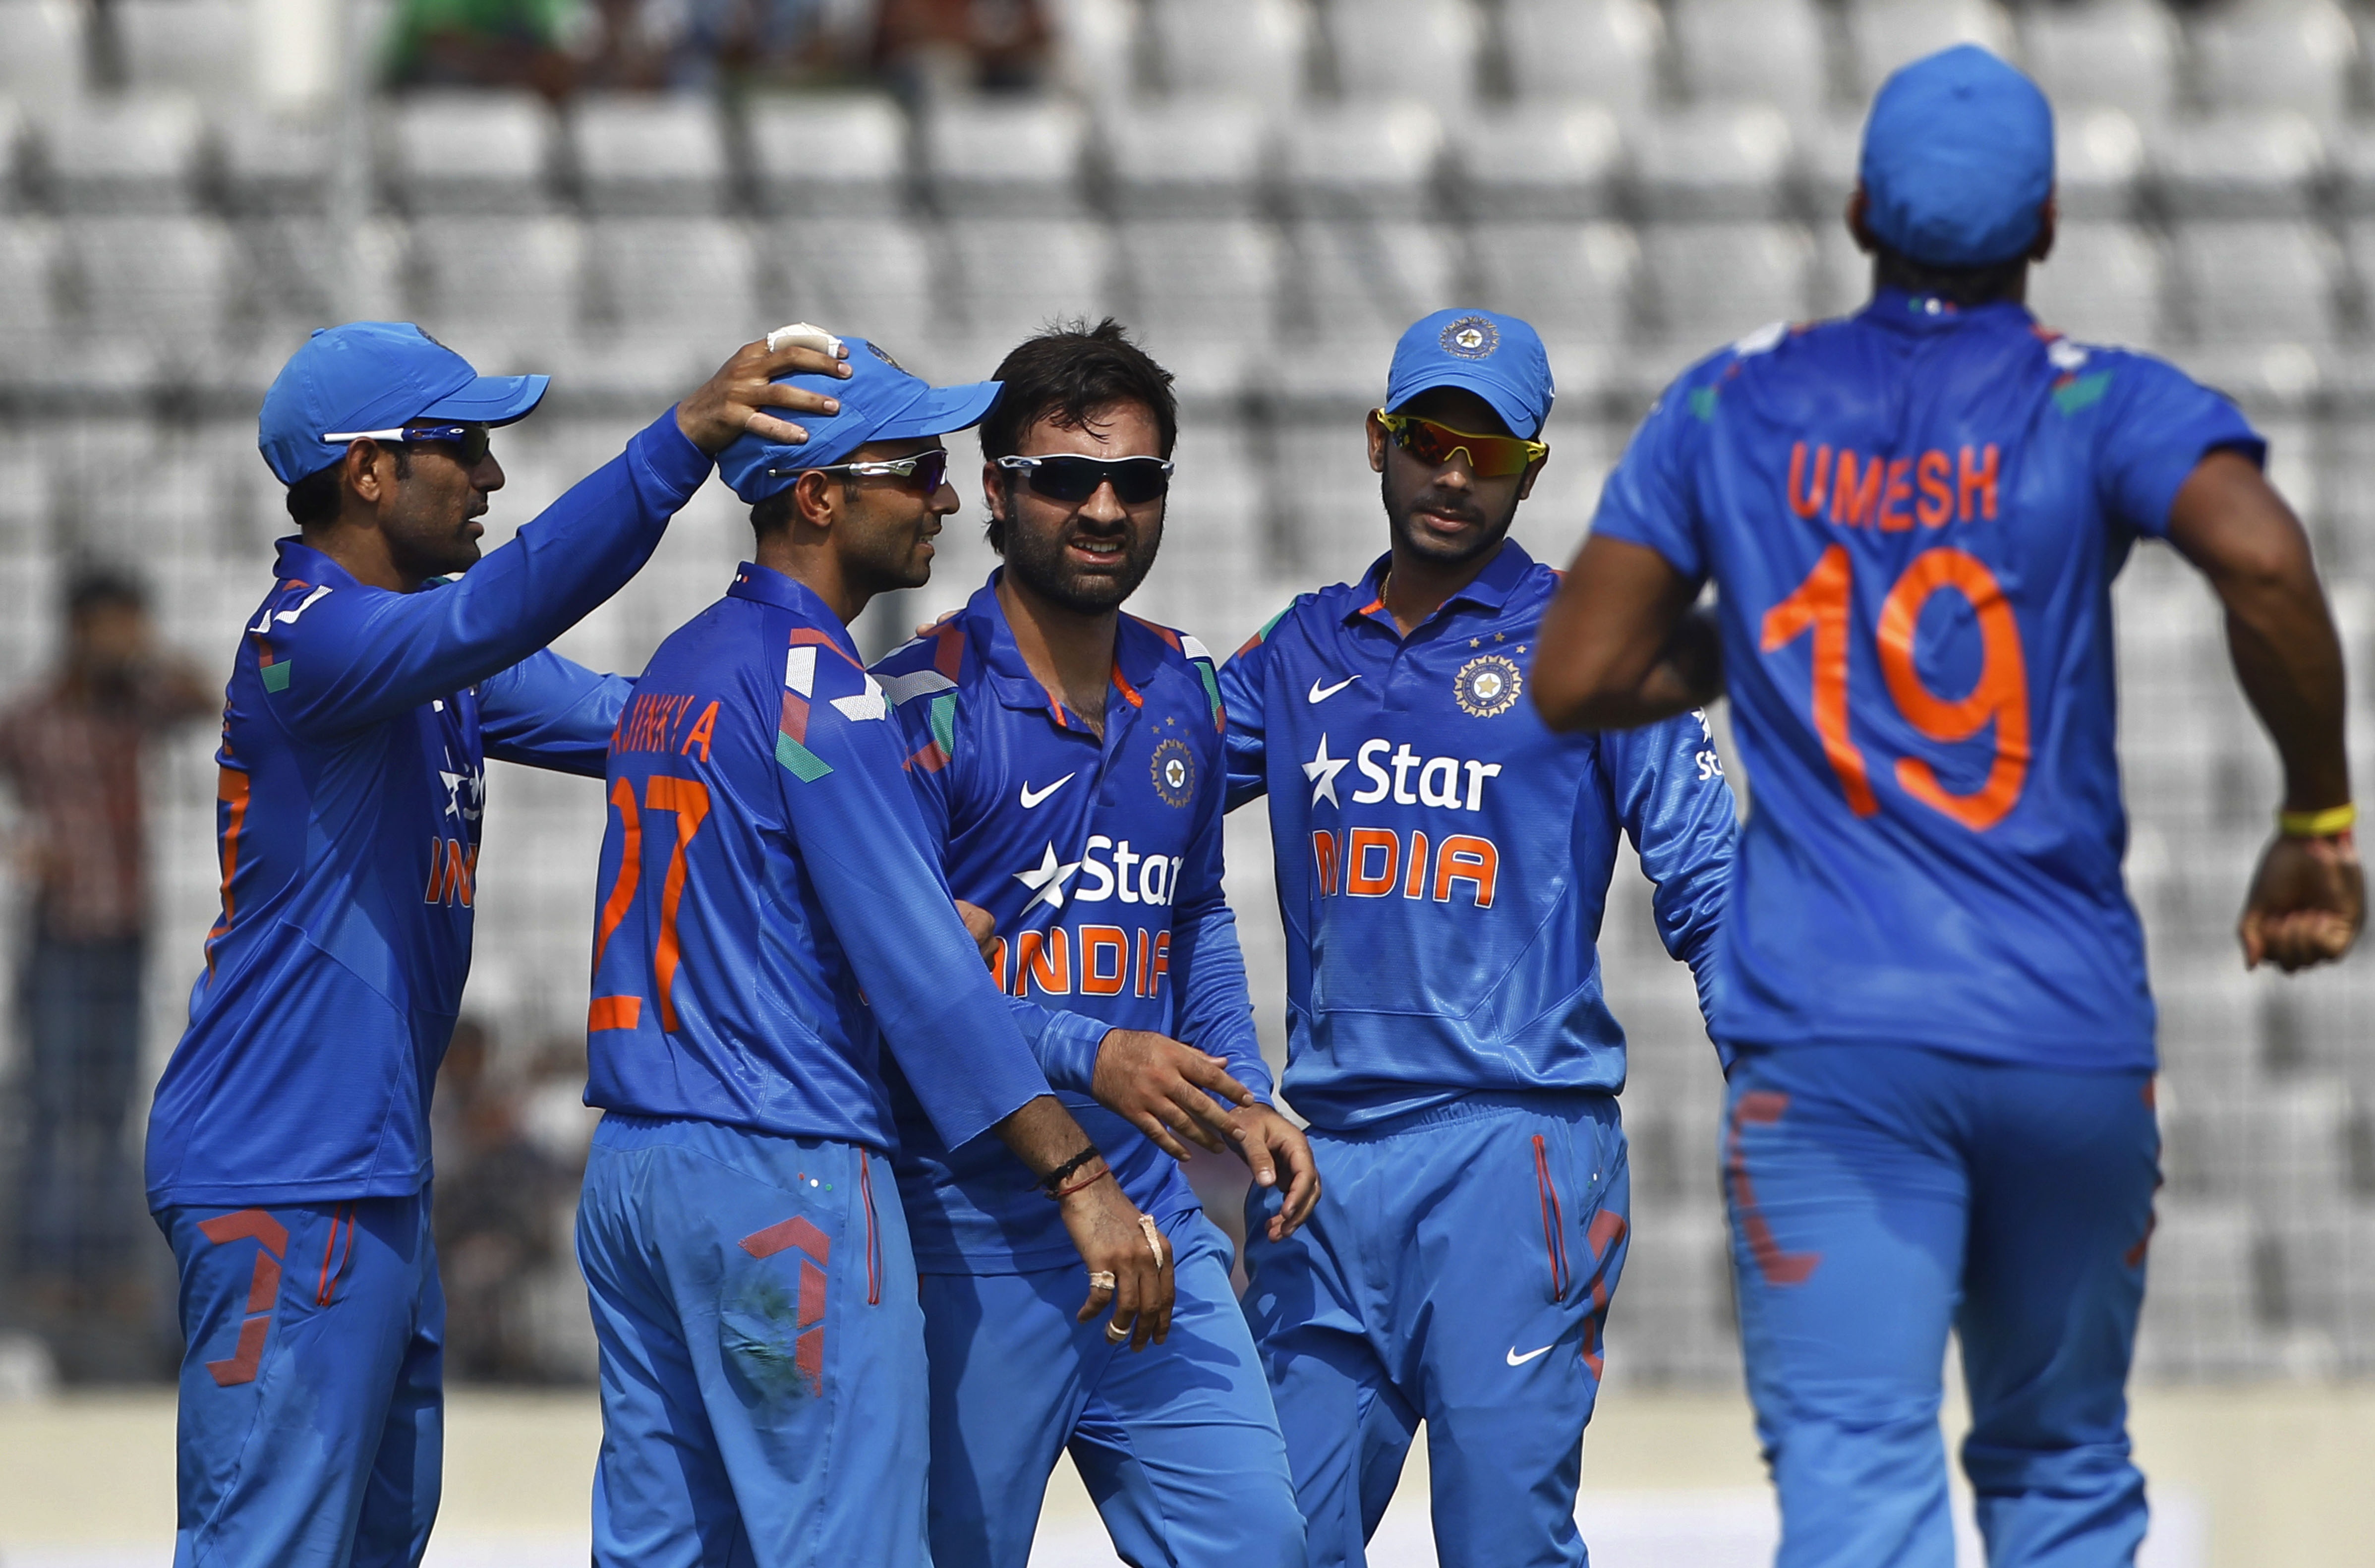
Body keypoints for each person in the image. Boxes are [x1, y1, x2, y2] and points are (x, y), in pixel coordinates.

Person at [1529, 46, 2366, 1568]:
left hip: (1836, 1048)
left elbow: (1579, 673)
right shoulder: (2100, 397)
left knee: (1859, 1477)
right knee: (2061, 1469)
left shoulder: (1740, 398)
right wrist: (2315, 814)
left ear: (1859, 210)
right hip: (2067, 1031)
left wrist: (1750, 644)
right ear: (2045, 227)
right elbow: (2260, 557)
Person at [143, 319, 851, 1568]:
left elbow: (666, 726)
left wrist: (871, 758)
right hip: (281, 1175)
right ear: (367, 472)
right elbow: (503, 608)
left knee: (373, 1539)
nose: (491, 475)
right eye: (461, 445)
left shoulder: (425, 656)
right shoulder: (310, 638)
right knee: (267, 1544)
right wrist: (676, 446)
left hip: (359, 1176)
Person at [575, 335, 1179, 1568]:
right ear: (819, 495)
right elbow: (928, 983)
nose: (946, 498)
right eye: (914, 469)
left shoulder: (686, 666)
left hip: (635, 1173)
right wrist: (1081, 1179)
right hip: (781, 1170)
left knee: (663, 1550)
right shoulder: (820, 681)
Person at [1216, 308, 1738, 1568]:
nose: (1454, 474)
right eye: (1431, 441)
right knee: (1262, 1543)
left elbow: (1709, 883)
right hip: (1322, 1167)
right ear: (1377, 442)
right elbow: (1131, 780)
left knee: (1501, 1544)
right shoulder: (1299, 653)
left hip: (1511, 1150)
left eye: (1489, 453)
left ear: (1530, 470)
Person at [870, 319, 1314, 1568]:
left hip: (1154, 1223)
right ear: (998, 493)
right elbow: (907, 999)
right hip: (968, 1237)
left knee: (1261, 1548)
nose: (1104, 506)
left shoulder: (1183, 687)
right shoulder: (917, 708)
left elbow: (1192, 915)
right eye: (1066, 478)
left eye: (1136, 479)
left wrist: (1241, 1092)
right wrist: (1091, 1050)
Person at [0, 570, 212, 1330]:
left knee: (119, 1100)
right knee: (57, 1102)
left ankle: (112, 1263)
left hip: (124, 930)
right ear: (81, 629)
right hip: (60, 932)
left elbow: (204, 699)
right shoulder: (31, 720)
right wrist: (20, 846)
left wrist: (145, 652)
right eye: (116, 626)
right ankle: (51, 1267)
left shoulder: (136, 708)